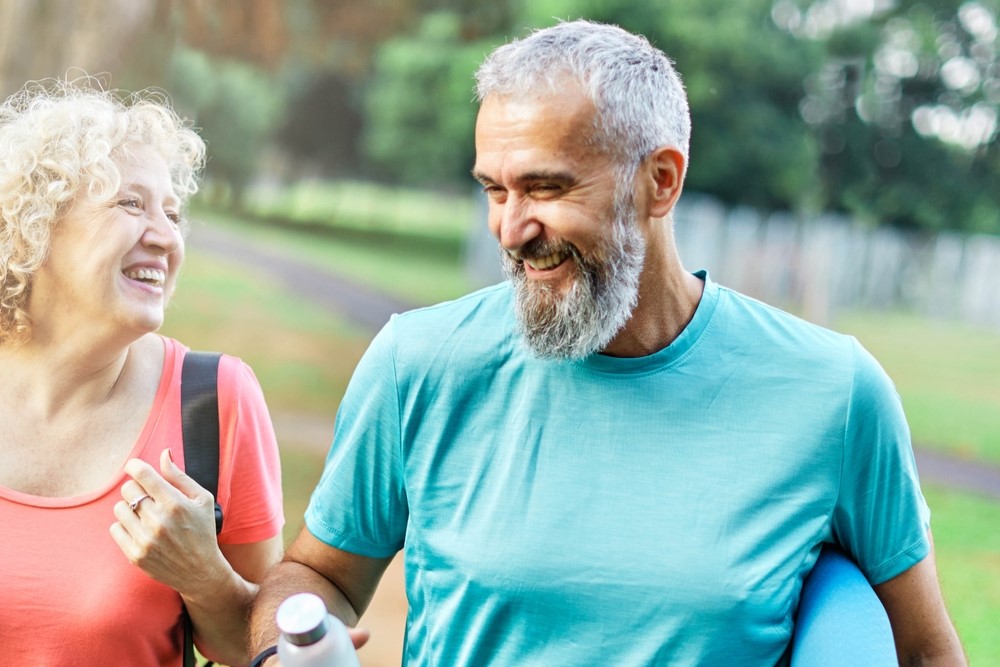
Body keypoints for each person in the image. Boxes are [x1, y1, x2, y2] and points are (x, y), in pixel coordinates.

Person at [248, 20, 966, 666]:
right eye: (494, 190)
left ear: (660, 180)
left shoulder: (832, 392)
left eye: (546, 187)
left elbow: (926, 651)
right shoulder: (419, 363)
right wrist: (284, 649)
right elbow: (317, 575)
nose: (510, 228)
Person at [0, 79, 284, 666]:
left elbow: (253, 647)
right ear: (37, 226)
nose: (167, 237)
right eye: (131, 203)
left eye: (173, 213)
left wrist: (206, 578)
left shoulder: (214, 401)